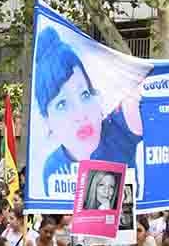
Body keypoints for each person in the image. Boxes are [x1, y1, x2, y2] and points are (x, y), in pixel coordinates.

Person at [33, 26, 144, 197]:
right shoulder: (52, 169)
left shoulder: (118, 133)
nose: (80, 114)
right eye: (62, 104)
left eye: (84, 94)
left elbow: (138, 102)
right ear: (47, 120)